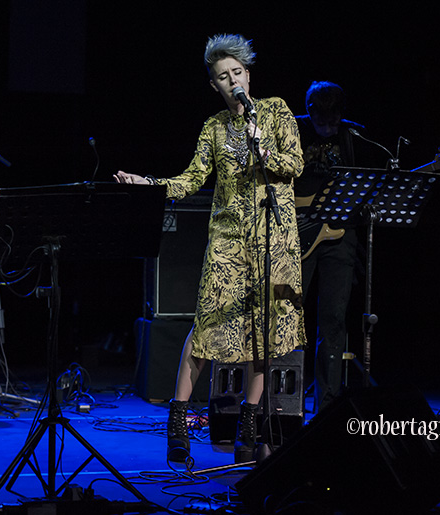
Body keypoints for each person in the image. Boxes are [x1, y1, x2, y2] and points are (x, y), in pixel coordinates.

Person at [115, 34, 305, 463]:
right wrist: (151, 186)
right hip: (228, 241)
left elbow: (294, 164)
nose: (232, 80)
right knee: (206, 328)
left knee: (267, 335)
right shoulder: (214, 127)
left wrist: (263, 143)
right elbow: (191, 179)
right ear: (214, 85)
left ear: (248, 75)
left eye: (237, 72)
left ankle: (251, 421)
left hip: (275, 238)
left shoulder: (275, 111)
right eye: (223, 76)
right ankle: (179, 420)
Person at [293, 81, 365, 412]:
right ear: (310, 113)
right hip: (298, 233)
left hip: (340, 236)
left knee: (334, 320)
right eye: (322, 123)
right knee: (289, 317)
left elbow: (370, 181)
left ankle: (328, 406)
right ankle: (284, 401)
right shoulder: (292, 129)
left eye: (333, 122)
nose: (328, 129)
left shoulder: (353, 136)